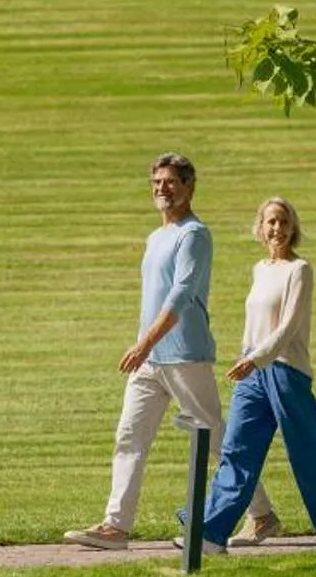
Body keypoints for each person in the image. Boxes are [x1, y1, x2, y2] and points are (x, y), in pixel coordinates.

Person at [64, 154, 281, 550]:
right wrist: (146, 347)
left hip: (185, 355)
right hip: (150, 362)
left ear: (189, 186)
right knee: (129, 436)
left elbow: (181, 295)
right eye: (156, 182)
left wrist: (145, 341)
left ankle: (262, 515)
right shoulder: (156, 236)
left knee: (215, 442)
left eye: (170, 182)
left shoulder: (194, 234)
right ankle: (116, 526)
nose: (162, 189)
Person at [182, 196, 316, 551]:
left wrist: (257, 358)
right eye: (271, 222)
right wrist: (248, 357)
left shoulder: (300, 270)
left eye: (284, 222)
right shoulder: (259, 269)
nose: (277, 229)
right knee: (237, 449)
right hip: (251, 371)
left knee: (309, 451)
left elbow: (287, 328)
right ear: (260, 227)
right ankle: (208, 532)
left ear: (293, 228)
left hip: (285, 372)